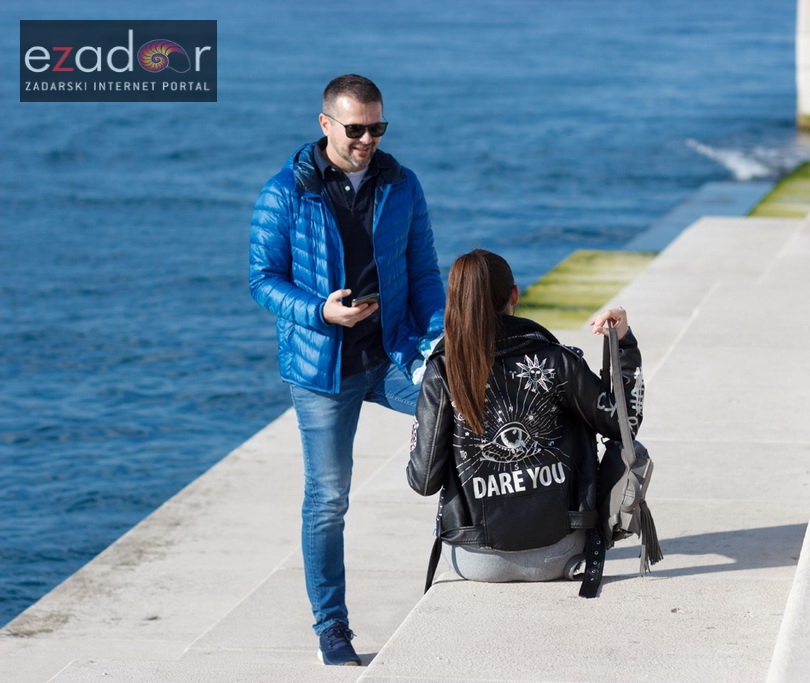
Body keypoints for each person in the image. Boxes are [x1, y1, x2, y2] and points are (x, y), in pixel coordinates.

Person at [249, 74, 445, 666]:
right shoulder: (286, 192)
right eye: (355, 129)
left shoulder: (401, 185)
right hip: (321, 370)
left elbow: (425, 272)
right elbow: (263, 280)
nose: (367, 140)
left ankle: (486, 542)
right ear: (326, 124)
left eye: (377, 128)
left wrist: (436, 339)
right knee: (329, 499)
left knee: (469, 416)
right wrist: (319, 310)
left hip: (392, 354)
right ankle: (332, 629)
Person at [407, 250, 643, 587]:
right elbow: (626, 425)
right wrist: (622, 344)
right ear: (514, 295)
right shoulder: (556, 360)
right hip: (561, 551)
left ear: (455, 301)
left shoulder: (442, 371)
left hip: (475, 559)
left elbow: (423, 480)